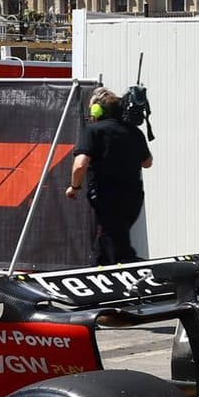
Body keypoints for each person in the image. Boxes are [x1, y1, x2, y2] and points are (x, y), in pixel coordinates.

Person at [64, 86, 153, 265]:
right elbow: (147, 162)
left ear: (97, 110)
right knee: (109, 241)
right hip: (133, 200)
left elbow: (80, 165)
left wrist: (74, 187)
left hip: (107, 199)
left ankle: (126, 271)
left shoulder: (93, 131)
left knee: (115, 245)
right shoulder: (134, 132)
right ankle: (98, 269)